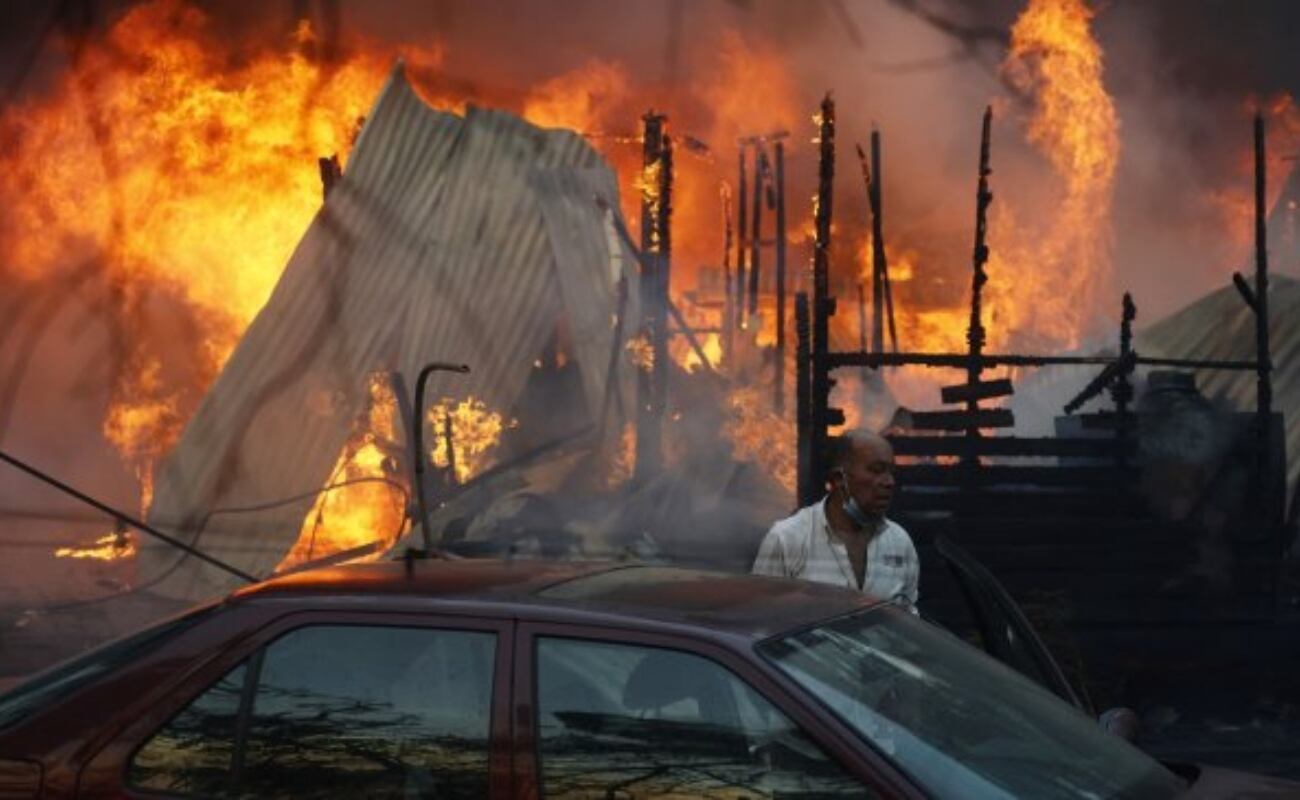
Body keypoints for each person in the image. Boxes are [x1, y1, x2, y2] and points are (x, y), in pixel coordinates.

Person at [752, 429, 919, 611]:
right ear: (839, 478)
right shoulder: (787, 538)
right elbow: (762, 617)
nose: (889, 482)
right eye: (877, 471)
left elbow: (908, 616)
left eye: (891, 472)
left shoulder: (899, 541)